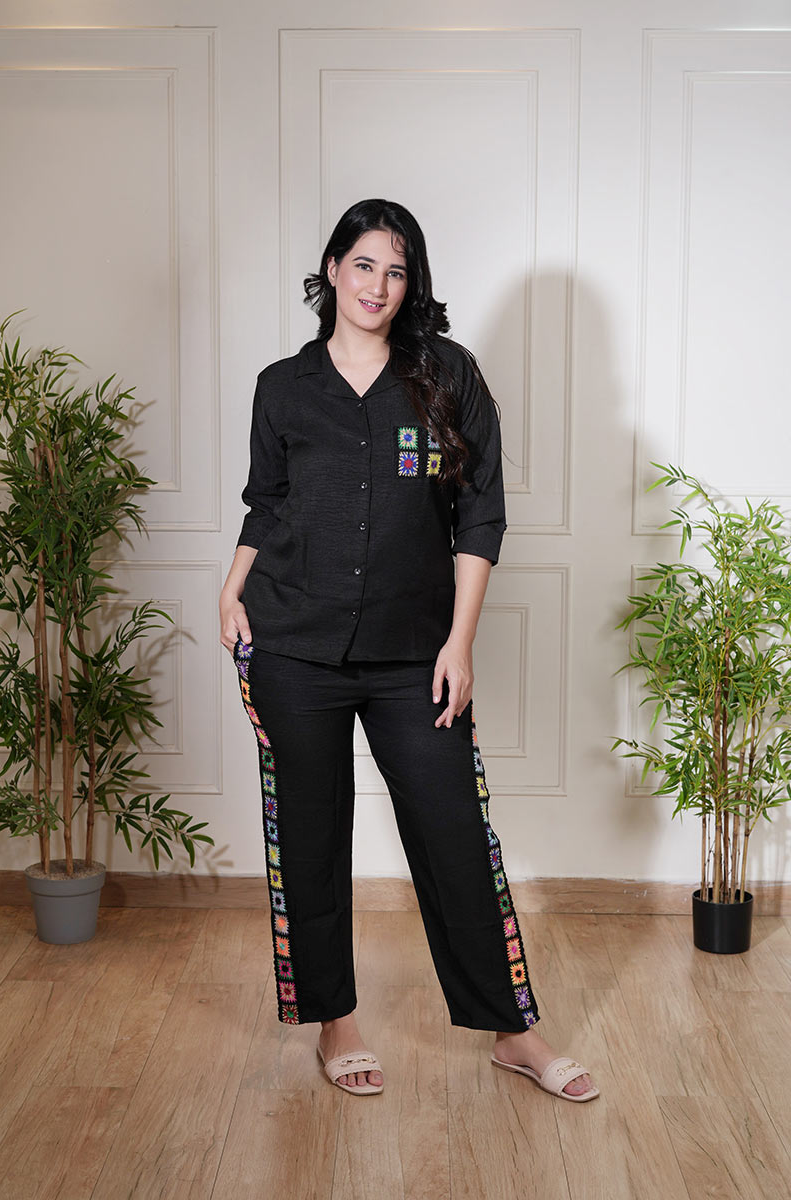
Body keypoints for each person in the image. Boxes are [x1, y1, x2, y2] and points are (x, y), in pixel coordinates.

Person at [219, 198, 599, 1102]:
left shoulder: (446, 376)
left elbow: (480, 514)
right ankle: (336, 1024)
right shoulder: (283, 386)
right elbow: (266, 504)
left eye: (396, 271)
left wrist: (460, 644)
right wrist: (232, 587)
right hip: (293, 645)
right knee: (309, 836)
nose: (378, 286)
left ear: (410, 282)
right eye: (363, 265)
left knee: (455, 833)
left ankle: (514, 1032)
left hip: (415, 654)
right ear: (332, 269)